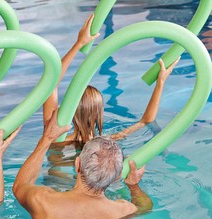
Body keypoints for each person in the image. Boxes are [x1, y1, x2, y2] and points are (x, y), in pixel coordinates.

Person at [13, 110, 152, 219]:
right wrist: (133, 185)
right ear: (117, 176)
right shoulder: (122, 210)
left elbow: (20, 185)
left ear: (77, 163)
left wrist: (46, 139)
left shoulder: (43, 201)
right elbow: (145, 207)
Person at [43, 14, 180, 147]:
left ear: (70, 109)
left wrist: (79, 44)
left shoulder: (53, 139)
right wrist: (160, 82)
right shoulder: (105, 141)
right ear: (99, 113)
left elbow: (51, 83)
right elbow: (145, 121)